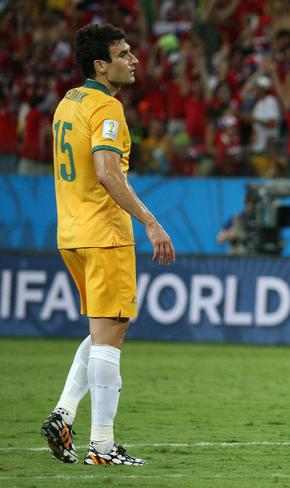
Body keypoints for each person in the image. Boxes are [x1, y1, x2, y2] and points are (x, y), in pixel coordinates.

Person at [41, 23, 175, 467]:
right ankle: (102, 445)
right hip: (105, 233)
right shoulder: (106, 106)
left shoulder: (68, 102)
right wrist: (151, 221)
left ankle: (64, 413)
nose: (134, 60)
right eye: (123, 53)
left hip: (72, 232)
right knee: (110, 337)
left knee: (103, 330)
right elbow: (107, 171)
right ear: (101, 64)